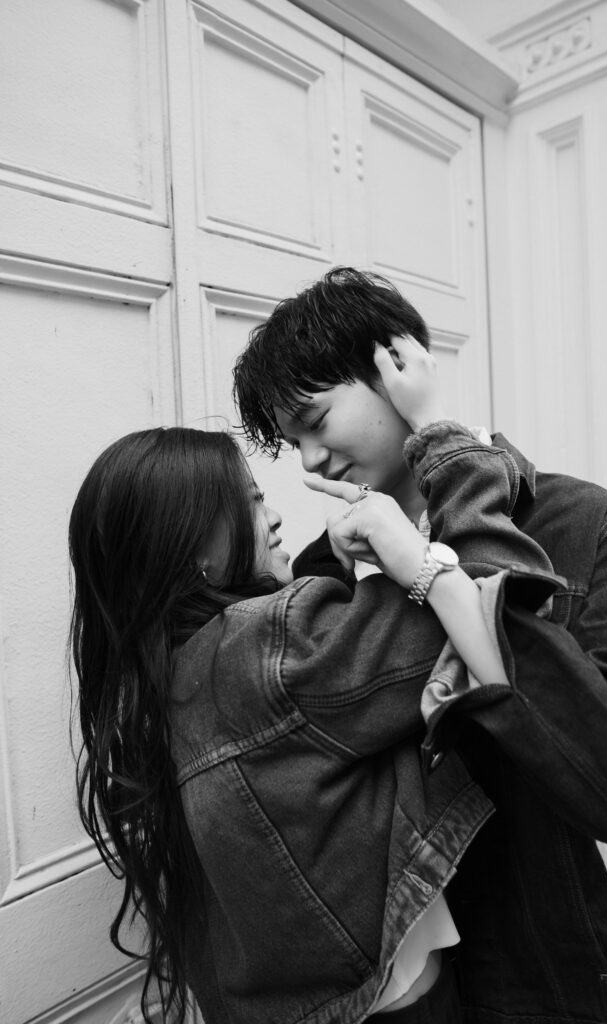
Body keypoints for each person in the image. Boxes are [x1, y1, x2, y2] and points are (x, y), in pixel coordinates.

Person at [232, 266, 607, 1024]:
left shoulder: (585, 527)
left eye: (315, 420)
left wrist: (434, 567)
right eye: (290, 442)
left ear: (396, 364)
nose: (307, 461)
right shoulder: (324, 573)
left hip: (547, 993)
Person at [68, 347, 557, 1024]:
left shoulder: (162, 684)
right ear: (195, 553)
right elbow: (488, 596)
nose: (273, 516)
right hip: (390, 1004)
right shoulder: (267, 647)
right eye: (248, 502)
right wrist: (438, 431)